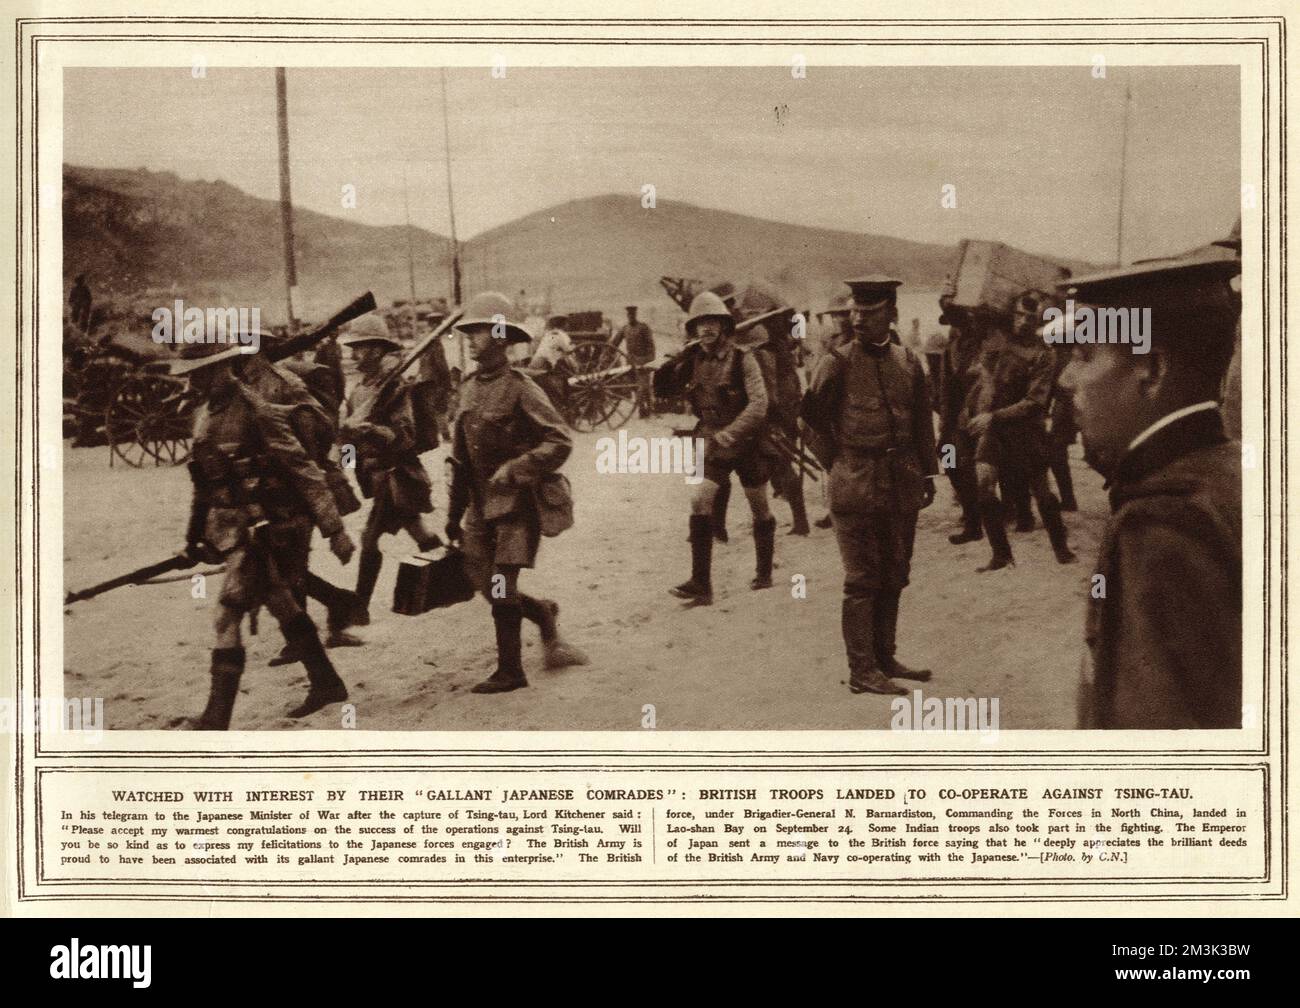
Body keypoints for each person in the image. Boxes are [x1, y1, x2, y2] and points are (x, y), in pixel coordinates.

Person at [1062, 254, 1241, 729]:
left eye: (1083, 356)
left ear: (1151, 369)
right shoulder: (1234, 471)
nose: (1066, 380)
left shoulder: (1163, 524)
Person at [170, 340, 357, 729]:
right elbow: (202, 481)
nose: (197, 380)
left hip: (264, 529)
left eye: (203, 371)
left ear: (223, 368)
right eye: (193, 373)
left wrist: (334, 529)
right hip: (234, 531)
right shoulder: (204, 415)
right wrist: (194, 537)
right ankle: (327, 682)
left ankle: (216, 719)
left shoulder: (257, 410)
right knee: (282, 603)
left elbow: (302, 467)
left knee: (226, 616)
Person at [446, 292, 588, 693]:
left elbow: (559, 440)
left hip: (516, 504)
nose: (470, 339)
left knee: (501, 585)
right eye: (468, 332)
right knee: (480, 579)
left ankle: (511, 671)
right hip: (478, 504)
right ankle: (542, 613)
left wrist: (516, 468)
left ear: (498, 336)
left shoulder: (521, 387)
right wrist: (453, 512)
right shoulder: (468, 387)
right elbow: (459, 458)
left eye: (477, 332)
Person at [802, 276, 937, 695]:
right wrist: (839, 465)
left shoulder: (909, 362)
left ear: (891, 314)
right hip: (855, 487)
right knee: (862, 579)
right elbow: (810, 423)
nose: (859, 319)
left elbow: (921, 425)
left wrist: (928, 473)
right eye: (856, 311)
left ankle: (884, 657)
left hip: (902, 484)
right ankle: (861, 672)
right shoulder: (835, 363)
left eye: (870, 312)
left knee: (895, 572)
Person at [657, 291, 773, 606]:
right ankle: (701, 584)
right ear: (692, 329)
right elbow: (661, 390)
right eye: (699, 324)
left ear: (723, 326)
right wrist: (673, 359)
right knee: (699, 500)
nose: (706, 329)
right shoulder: (693, 360)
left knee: (758, 505)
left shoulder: (742, 358)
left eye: (712, 322)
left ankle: (764, 572)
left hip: (746, 441)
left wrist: (732, 433)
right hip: (710, 440)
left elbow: (760, 404)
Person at [960, 292, 1076, 571]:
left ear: (1038, 320)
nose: (1023, 322)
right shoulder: (999, 342)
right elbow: (978, 363)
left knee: (1043, 493)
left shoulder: (1044, 353)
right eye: (1018, 315)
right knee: (984, 487)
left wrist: (993, 416)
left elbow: (1035, 402)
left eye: (1029, 317)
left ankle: (1061, 548)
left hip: (1026, 430)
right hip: (994, 429)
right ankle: (1001, 554)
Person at [339, 314, 442, 624]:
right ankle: (465, 570)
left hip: (396, 475)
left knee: (370, 540)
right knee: (418, 531)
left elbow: (405, 437)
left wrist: (370, 431)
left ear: (376, 350)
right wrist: (346, 468)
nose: (354, 354)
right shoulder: (359, 390)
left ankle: (359, 607)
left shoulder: (395, 387)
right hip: (375, 476)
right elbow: (347, 440)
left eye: (360, 347)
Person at [611, 305, 658, 417]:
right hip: (630, 363)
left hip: (643, 362)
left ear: (635, 315)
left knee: (643, 387)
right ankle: (644, 408)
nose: (630, 317)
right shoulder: (625, 328)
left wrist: (647, 360)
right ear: (627, 316)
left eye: (632, 315)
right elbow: (614, 343)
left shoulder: (643, 328)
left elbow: (651, 347)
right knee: (635, 387)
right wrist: (607, 352)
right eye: (629, 315)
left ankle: (646, 409)